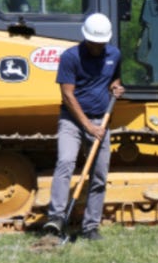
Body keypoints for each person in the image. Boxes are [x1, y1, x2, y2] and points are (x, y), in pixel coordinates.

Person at [44, 13, 124, 242]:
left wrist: (117, 88)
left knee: (99, 175)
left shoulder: (114, 54)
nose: (98, 47)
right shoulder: (71, 57)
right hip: (72, 120)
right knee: (66, 162)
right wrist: (88, 126)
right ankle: (57, 218)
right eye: (94, 43)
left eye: (101, 43)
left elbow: (114, 81)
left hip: (102, 120)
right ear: (86, 39)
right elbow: (68, 96)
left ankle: (90, 227)